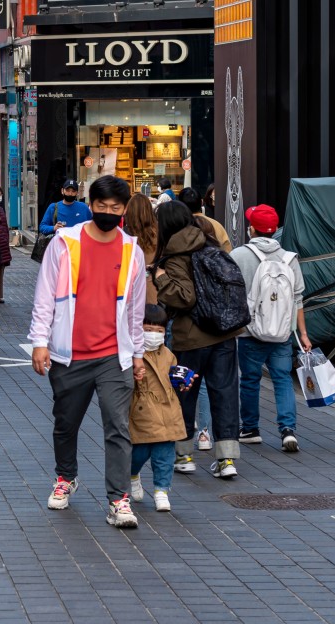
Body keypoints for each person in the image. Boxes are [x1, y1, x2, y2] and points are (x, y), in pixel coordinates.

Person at [29, 175, 146, 528]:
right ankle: (66, 477)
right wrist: (39, 342)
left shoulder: (131, 250)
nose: (108, 212)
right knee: (66, 423)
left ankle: (119, 499)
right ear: (90, 205)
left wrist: (138, 353)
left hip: (115, 355)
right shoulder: (65, 244)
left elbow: (136, 310)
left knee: (117, 427)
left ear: (124, 209)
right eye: (102, 206)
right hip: (70, 354)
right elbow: (44, 295)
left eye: (115, 208)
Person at [152, 201, 244, 479]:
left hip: (190, 340)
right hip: (224, 335)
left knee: (184, 393)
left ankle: (184, 455)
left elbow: (185, 297)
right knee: (225, 393)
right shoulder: (211, 245)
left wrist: (161, 279)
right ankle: (227, 459)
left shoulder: (174, 256)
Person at [230, 204, 310, 452]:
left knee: (250, 380)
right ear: (274, 230)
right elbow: (297, 299)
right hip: (283, 332)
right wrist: (303, 335)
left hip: (249, 330)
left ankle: (251, 429)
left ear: (251, 229)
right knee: (283, 379)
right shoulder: (290, 258)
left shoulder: (239, 255)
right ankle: (288, 430)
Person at [129, 304, 191, 512]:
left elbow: (173, 378)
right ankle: (133, 475)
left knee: (164, 456)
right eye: (148, 329)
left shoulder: (168, 355)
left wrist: (182, 381)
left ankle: (161, 491)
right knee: (138, 453)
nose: (154, 335)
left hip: (168, 411)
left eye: (159, 331)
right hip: (143, 412)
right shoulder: (132, 354)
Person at [179, 187, 231, 252]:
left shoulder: (177, 226)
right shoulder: (216, 225)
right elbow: (227, 251)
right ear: (201, 202)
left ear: (179, 205)